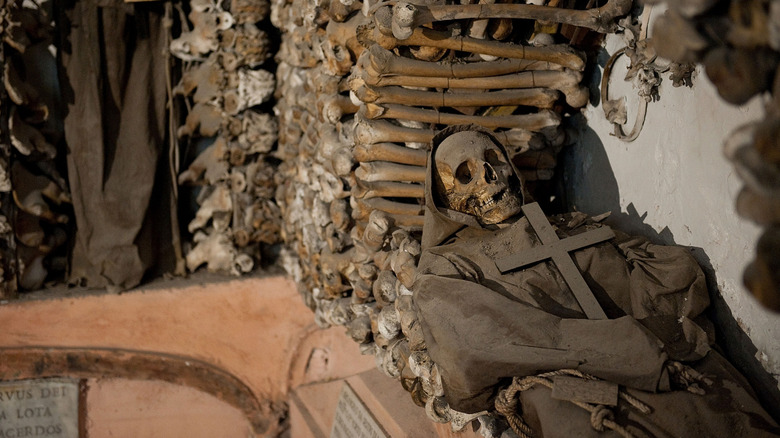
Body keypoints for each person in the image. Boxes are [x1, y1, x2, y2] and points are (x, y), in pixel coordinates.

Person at [413, 125, 779, 437]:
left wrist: (660, 329)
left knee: (725, 413)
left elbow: (661, 273)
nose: (491, 178)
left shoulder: (564, 225)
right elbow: (476, 346)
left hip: (660, 353)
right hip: (569, 386)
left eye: (495, 162)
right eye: (467, 174)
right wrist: (621, 349)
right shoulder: (444, 269)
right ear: (447, 201)